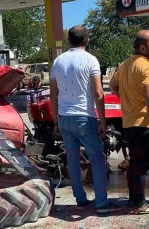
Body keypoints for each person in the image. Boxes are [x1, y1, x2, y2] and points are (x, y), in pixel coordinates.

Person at [50, 26, 120, 214]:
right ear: (87, 40)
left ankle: (80, 199)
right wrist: (103, 121)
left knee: (72, 160)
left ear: (69, 41)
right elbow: (98, 93)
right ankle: (102, 203)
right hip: (84, 117)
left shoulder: (58, 62)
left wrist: (56, 121)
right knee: (97, 159)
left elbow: (53, 95)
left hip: (64, 117)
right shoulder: (91, 60)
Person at [109, 30, 149, 215]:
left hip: (130, 123)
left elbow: (112, 85)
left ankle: (134, 200)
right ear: (142, 47)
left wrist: (125, 98)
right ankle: (140, 205)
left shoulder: (125, 65)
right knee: (141, 165)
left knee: (135, 163)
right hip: (145, 125)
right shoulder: (147, 67)